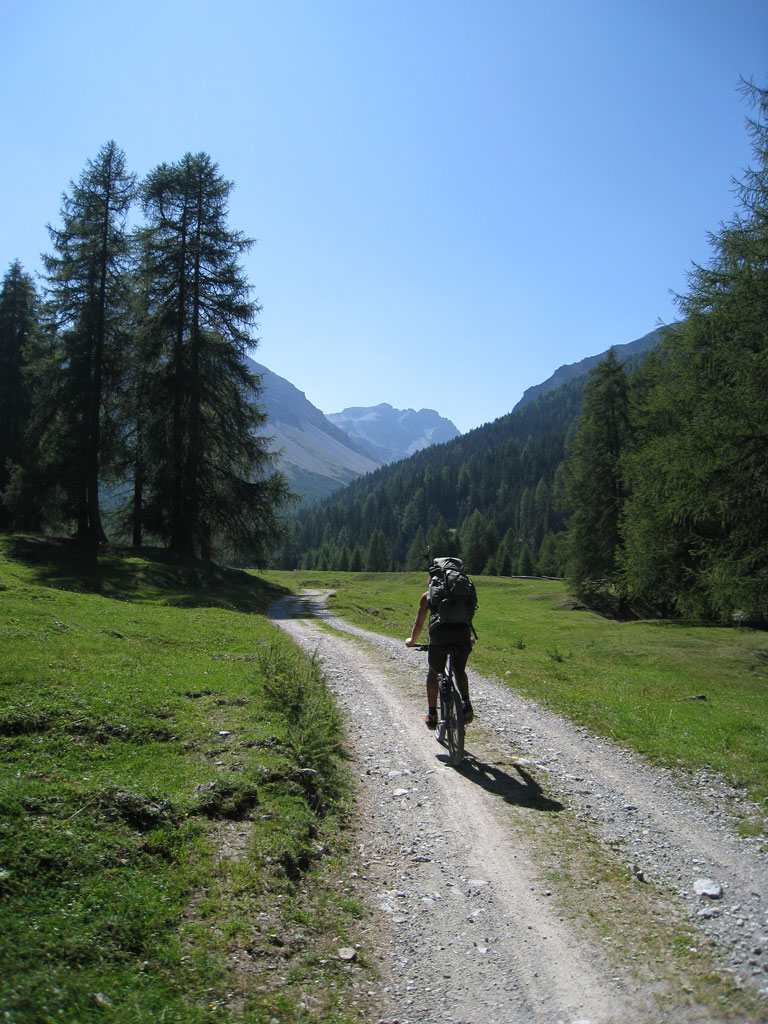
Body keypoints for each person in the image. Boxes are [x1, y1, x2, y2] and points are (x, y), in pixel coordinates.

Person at [405, 569, 474, 729]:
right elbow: (467, 616)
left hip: (440, 638)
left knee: (433, 672)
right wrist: (469, 637)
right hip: (462, 635)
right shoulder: (462, 594)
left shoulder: (428, 596)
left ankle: (432, 714)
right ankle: (466, 703)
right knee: (459, 670)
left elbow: (419, 623)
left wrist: (412, 641)